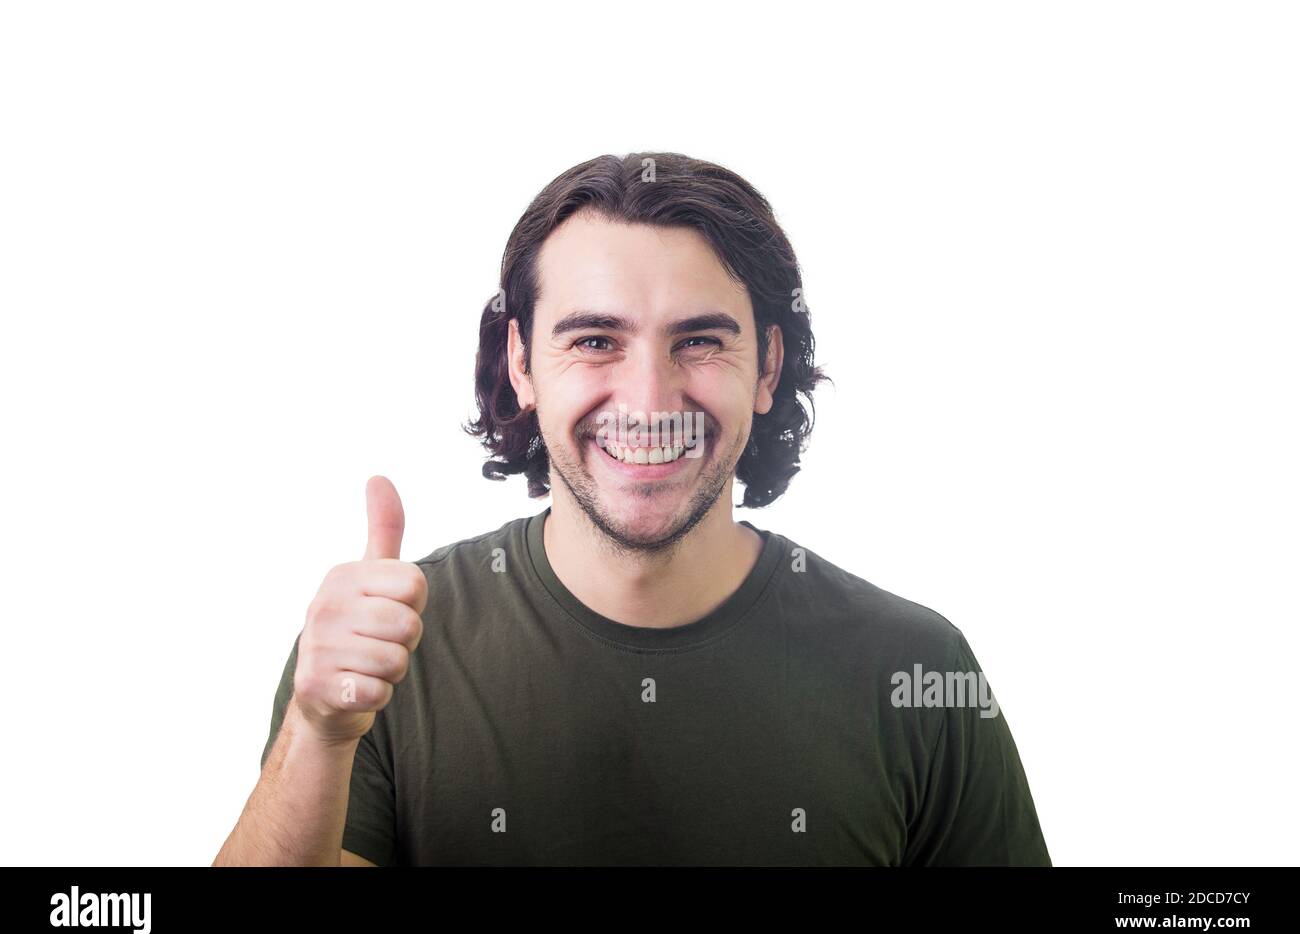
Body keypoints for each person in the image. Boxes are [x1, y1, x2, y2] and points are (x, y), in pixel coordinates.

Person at [213, 152, 1051, 866]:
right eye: (594, 340)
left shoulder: (916, 669)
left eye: (699, 340)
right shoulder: (380, 652)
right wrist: (319, 733)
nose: (649, 401)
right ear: (521, 363)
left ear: (766, 367)